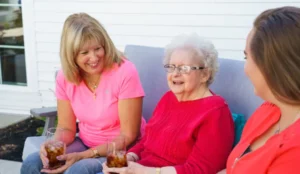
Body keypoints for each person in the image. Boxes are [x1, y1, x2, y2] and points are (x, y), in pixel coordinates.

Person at [21, 13, 145, 174]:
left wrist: (84, 156)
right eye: (84, 52)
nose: (94, 58)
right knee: (32, 163)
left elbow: (128, 136)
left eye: (98, 49)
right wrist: (54, 144)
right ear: (71, 55)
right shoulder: (65, 78)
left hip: (120, 150)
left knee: (78, 171)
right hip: (86, 143)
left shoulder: (125, 72)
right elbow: (66, 128)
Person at [102, 33, 235, 174]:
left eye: (184, 68)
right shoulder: (168, 98)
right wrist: (128, 159)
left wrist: (142, 171)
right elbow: (147, 141)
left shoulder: (216, 111)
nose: (175, 74)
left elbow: (201, 170)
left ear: (205, 74)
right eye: (171, 67)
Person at [221, 6, 300, 174]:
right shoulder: (267, 112)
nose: (245, 68)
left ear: (270, 64)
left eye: (246, 57)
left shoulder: (295, 151)